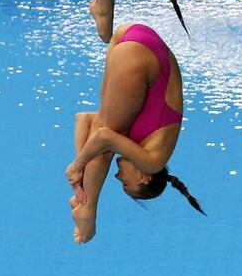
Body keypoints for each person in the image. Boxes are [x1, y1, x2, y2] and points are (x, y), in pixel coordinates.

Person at [65, 23, 205, 244]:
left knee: (104, 134)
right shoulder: (152, 162)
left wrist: (80, 182)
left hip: (137, 38)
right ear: (143, 177)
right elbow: (102, 137)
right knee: (107, 141)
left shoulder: (143, 145)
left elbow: (84, 119)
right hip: (141, 56)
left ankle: (84, 201)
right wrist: (77, 166)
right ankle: (88, 210)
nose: (117, 177)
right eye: (125, 183)